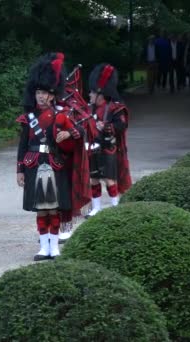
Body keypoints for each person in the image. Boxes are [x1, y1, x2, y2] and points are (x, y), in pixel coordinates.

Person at [16, 56, 90, 261]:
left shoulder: (62, 115)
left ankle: (54, 247)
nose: (40, 97)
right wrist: (20, 170)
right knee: (40, 209)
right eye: (38, 92)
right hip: (33, 163)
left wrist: (67, 134)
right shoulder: (28, 117)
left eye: (44, 93)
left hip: (54, 163)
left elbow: (79, 132)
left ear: (52, 95)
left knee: (54, 208)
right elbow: (22, 146)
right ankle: (43, 247)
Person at [86, 64, 132, 217]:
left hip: (108, 147)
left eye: (92, 92)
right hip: (93, 148)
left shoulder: (115, 108)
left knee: (109, 179)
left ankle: (115, 207)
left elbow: (122, 125)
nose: (90, 94)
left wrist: (106, 126)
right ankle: (96, 208)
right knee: (93, 178)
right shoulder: (89, 108)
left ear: (101, 93)